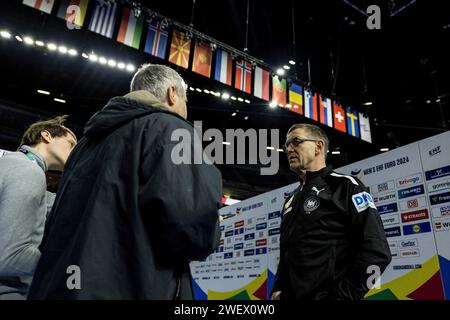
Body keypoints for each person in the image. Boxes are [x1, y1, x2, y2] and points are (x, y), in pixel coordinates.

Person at [28, 64, 223, 300]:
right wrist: (211, 229)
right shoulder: (171, 129)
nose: (186, 110)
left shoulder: (83, 146)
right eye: (186, 101)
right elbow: (192, 224)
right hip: (133, 287)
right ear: (172, 94)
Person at [271, 123, 391, 300]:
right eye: (286, 145)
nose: (289, 149)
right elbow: (287, 253)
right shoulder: (290, 200)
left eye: (296, 142)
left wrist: (341, 297)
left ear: (318, 146)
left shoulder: (346, 185)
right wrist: (277, 290)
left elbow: (377, 252)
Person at [0, 116, 77, 299]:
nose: (76, 151)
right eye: (71, 143)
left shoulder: (13, 165)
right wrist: (70, 265)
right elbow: (9, 256)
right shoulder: (29, 171)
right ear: (46, 136)